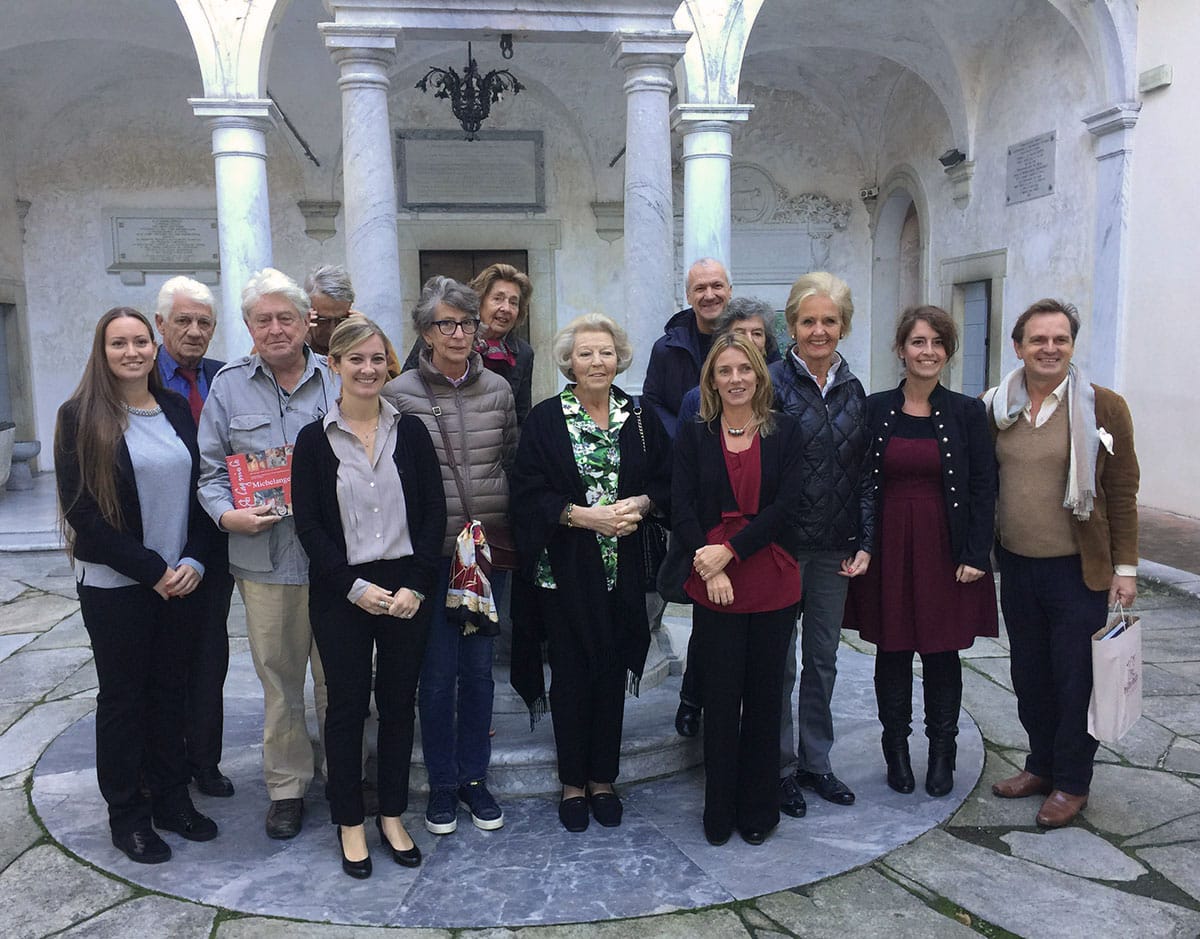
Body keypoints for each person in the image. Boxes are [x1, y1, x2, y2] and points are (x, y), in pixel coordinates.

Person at [55, 307, 218, 864]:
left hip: (180, 581)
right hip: (118, 587)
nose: (132, 352)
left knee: (170, 694)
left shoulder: (173, 406)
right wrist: (152, 570)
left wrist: (195, 558)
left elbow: (202, 488)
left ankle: (172, 798)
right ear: (102, 353)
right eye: (118, 344)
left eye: (140, 342)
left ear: (155, 347)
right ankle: (128, 814)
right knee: (124, 700)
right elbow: (84, 515)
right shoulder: (79, 416)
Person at [293, 316, 446, 878]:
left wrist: (417, 585)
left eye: (377, 359)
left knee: (400, 704)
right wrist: (353, 588)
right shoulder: (313, 441)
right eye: (355, 359)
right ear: (333, 365)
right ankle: (349, 820)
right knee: (347, 707)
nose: (367, 369)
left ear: (390, 366)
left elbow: (434, 515)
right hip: (342, 592)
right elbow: (308, 526)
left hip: (407, 588)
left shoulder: (412, 432)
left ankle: (393, 813)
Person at [509, 314, 671, 833]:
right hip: (564, 572)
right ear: (569, 363)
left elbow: (667, 482)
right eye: (585, 354)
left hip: (622, 573)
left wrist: (643, 502)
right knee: (572, 677)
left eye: (605, 352)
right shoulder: (545, 419)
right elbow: (526, 492)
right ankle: (572, 784)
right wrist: (581, 516)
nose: (597, 362)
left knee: (611, 671)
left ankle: (604, 780)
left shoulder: (639, 417)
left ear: (619, 356)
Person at [986, 299, 1139, 828]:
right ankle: (1041, 765)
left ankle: (1072, 782)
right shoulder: (995, 406)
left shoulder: (1104, 407)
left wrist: (1126, 568)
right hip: (1018, 567)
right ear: (1018, 346)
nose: (1049, 348)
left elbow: (1121, 493)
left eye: (1060, 339)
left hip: (1077, 571)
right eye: (1038, 340)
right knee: (1029, 676)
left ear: (1072, 345)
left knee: (1076, 680)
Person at [198, 268, 332, 840]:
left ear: (308, 323)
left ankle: (351, 772)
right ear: (249, 328)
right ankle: (287, 788)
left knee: (343, 678)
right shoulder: (228, 386)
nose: (275, 329)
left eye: (286, 318)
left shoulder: (337, 378)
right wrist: (226, 515)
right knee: (279, 683)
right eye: (263, 320)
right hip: (266, 561)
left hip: (336, 561)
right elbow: (208, 472)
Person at [843, 307, 997, 797]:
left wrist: (976, 552)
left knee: (940, 650)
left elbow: (982, 486)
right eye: (918, 342)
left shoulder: (967, 412)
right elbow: (857, 481)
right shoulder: (875, 408)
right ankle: (897, 751)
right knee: (892, 648)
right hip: (888, 544)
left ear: (947, 352)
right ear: (901, 350)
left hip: (945, 547)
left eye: (937, 343)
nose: (927, 351)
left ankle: (942, 753)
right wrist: (859, 543)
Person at [383, 276, 517, 837]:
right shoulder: (399, 394)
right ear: (425, 332)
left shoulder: (500, 390)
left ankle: (473, 780)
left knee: (479, 672)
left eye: (467, 322)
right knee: (437, 675)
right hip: (431, 555)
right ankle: (441, 783)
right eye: (446, 323)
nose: (459, 333)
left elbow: (511, 454)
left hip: (485, 556)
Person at [672, 334, 803, 846]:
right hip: (713, 579)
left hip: (768, 571)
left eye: (743, 370)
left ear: (759, 376)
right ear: (711, 379)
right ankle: (719, 807)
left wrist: (733, 551)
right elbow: (681, 505)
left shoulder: (785, 432)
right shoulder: (695, 433)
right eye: (724, 371)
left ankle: (759, 808)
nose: (735, 379)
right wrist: (711, 563)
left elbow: (786, 506)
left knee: (766, 697)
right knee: (722, 699)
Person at [769, 271, 873, 818]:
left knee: (823, 660)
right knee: (780, 664)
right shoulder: (770, 384)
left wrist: (865, 540)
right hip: (782, 550)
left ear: (844, 326)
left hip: (834, 551)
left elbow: (864, 477)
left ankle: (817, 761)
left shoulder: (855, 392)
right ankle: (781, 767)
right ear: (791, 325)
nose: (818, 330)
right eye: (808, 320)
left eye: (829, 321)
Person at [153, 276, 235, 799]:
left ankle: (205, 761)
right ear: (160, 324)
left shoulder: (222, 378)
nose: (194, 330)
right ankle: (162, 765)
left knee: (210, 657)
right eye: (182, 320)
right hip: (158, 546)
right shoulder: (139, 382)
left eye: (204, 322)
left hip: (215, 540)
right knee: (162, 663)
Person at [644, 257, 733, 439]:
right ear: (688, 296)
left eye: (717, 286)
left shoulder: (754, 341)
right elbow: (653, 402)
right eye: (700, 288)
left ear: (730, 291)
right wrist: (682, 436)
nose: (709, 295)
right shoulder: (665, 349)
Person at [305, 264, 355, 356]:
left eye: (341, 319)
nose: (333, 330)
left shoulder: (359, 334)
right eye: (323, 320)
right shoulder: (293, 341)